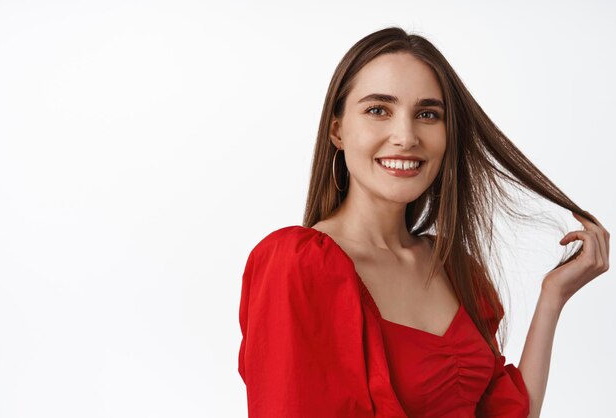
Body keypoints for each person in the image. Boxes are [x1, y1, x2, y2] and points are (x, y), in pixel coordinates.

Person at [237, 27, 610, 418]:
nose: (406, 136)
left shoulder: (453, 265)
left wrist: (553, 297)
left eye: (427, 114)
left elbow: (510, 413)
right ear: (337, 130)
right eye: (378, 109)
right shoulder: (295, 265)